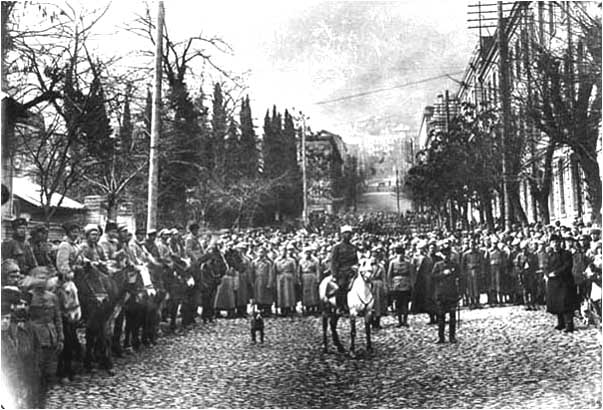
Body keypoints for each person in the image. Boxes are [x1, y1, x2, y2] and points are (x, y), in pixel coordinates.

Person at [23, 266, 64, 406]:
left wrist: (60, 337)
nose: (42, 281)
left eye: (45, 278)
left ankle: (42, 402)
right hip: (35, 338)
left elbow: (58, 318)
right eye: (39, 278)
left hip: (51, 337)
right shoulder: (27, 296)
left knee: (49, 373)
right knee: (35, 373)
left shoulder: (52, 297)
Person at [1, 285, 40, 408]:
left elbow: (34, 349)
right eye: (12, 304)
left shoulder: (25, 326)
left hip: (23, 375)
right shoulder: (7, 328)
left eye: (15, 304)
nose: (14, 308)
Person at [546, 234, 576, 333]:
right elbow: (547, 267)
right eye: (553, 242)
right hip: (554, 283)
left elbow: (567, 266)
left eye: (557, 242)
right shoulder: (551, 255)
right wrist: (547, 274)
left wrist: (556, 273)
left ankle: (569, 324)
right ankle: (560, 323)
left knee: (566, 303)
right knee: (557, 303)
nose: (555, 244)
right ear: (550, 244)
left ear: (560, 243)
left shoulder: (566, 254)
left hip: (564, 282)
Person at [432, 240, 460, 344]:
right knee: (441, 316)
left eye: (447, 254)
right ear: (441, 254)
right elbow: (433, 277)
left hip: (452, 293)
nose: (446, 256)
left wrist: (459, 292)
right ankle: (441, 337)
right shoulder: (437, 265)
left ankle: (452, 337)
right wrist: (443, 273)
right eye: (444, 254)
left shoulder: (455, 265)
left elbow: (460, 277)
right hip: (441, 293)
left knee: (452, 316)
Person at [330, 225, 358, 313]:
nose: (348, 236)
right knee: (341, 287)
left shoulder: (353, 247)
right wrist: (334, 274)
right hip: (341, 272)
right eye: (346, 234)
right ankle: (340, 306)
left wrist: (356, 266)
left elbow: (356, 260)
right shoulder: (337, 247)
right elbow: (333, 262)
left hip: (352, 271)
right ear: (342, 235)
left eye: (350, 234)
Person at [387, 243, 414, 327]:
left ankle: (405, 320)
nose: (400, 255)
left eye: (402, 253)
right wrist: (390, 285)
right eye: (398, 253)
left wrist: (411, 285)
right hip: (396, 285)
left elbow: (411, 274)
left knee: (405, 303)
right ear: (396, 254)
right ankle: (399, 321)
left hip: (406, 285)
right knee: (398, 304)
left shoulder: (408, 263)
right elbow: (389, 275)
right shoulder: (392, 263)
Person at [274, 243, 298, 317]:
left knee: (289, 294)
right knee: (281, 294)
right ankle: (282, 309)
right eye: (281, 251)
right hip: (280, 277)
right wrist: (273, 280)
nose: (283, 253)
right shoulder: (276, 261)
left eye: (284, 251)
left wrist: (295, 279)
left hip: (288, 278)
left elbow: (294, 270)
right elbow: (274, 271)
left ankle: (289, 308)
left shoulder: (291, 260)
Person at [461, 237, 484, 309]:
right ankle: (472, 302)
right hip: (469, 273)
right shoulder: (465, 254)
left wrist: (482, 272)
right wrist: (463, 274)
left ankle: (477, 301)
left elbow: (482, 263)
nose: (472, 247)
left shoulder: (479, 254)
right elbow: (463, 265)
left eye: (474, 245)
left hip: (477, 272)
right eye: (471, 245)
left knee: (477, 287)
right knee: (470, 288)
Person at [251, 246, 275, 316]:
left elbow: (271, 273)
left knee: (266, 296)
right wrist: (252, 282)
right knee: (258, 296)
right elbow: (252, 273)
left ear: (265, 253)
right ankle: (259, 309)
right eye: (259, 252)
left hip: (265, 280)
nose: (261, 254)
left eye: (262, 252)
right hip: (257, 280)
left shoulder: (268, 263)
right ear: (257, 253)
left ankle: (267, 310)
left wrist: (270, 283)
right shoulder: (254, 262)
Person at [515, 240, 538, 310]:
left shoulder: (532, 255)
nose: (524, 250)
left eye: (525, 249)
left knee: (532, 289)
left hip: (531, 274)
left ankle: (533, 303)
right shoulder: (519, 256)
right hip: (523, 274)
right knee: (525, 289)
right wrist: (520, 272)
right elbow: (517, 266)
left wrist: (534, 272)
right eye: (522, 249)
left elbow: (535, 264)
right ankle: (526, 304)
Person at [298, 246, 321, 315]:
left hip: (312, 276)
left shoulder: (315, 260)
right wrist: (299, 279)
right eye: (306, 252)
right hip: (304, 277)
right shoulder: (301, 261)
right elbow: (299, 271)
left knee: (313, 292)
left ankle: (313, 307)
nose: (308, 254)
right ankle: (306, 307)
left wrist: (317, 279)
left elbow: (317, 270)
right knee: (305, 293)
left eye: (309, 252)